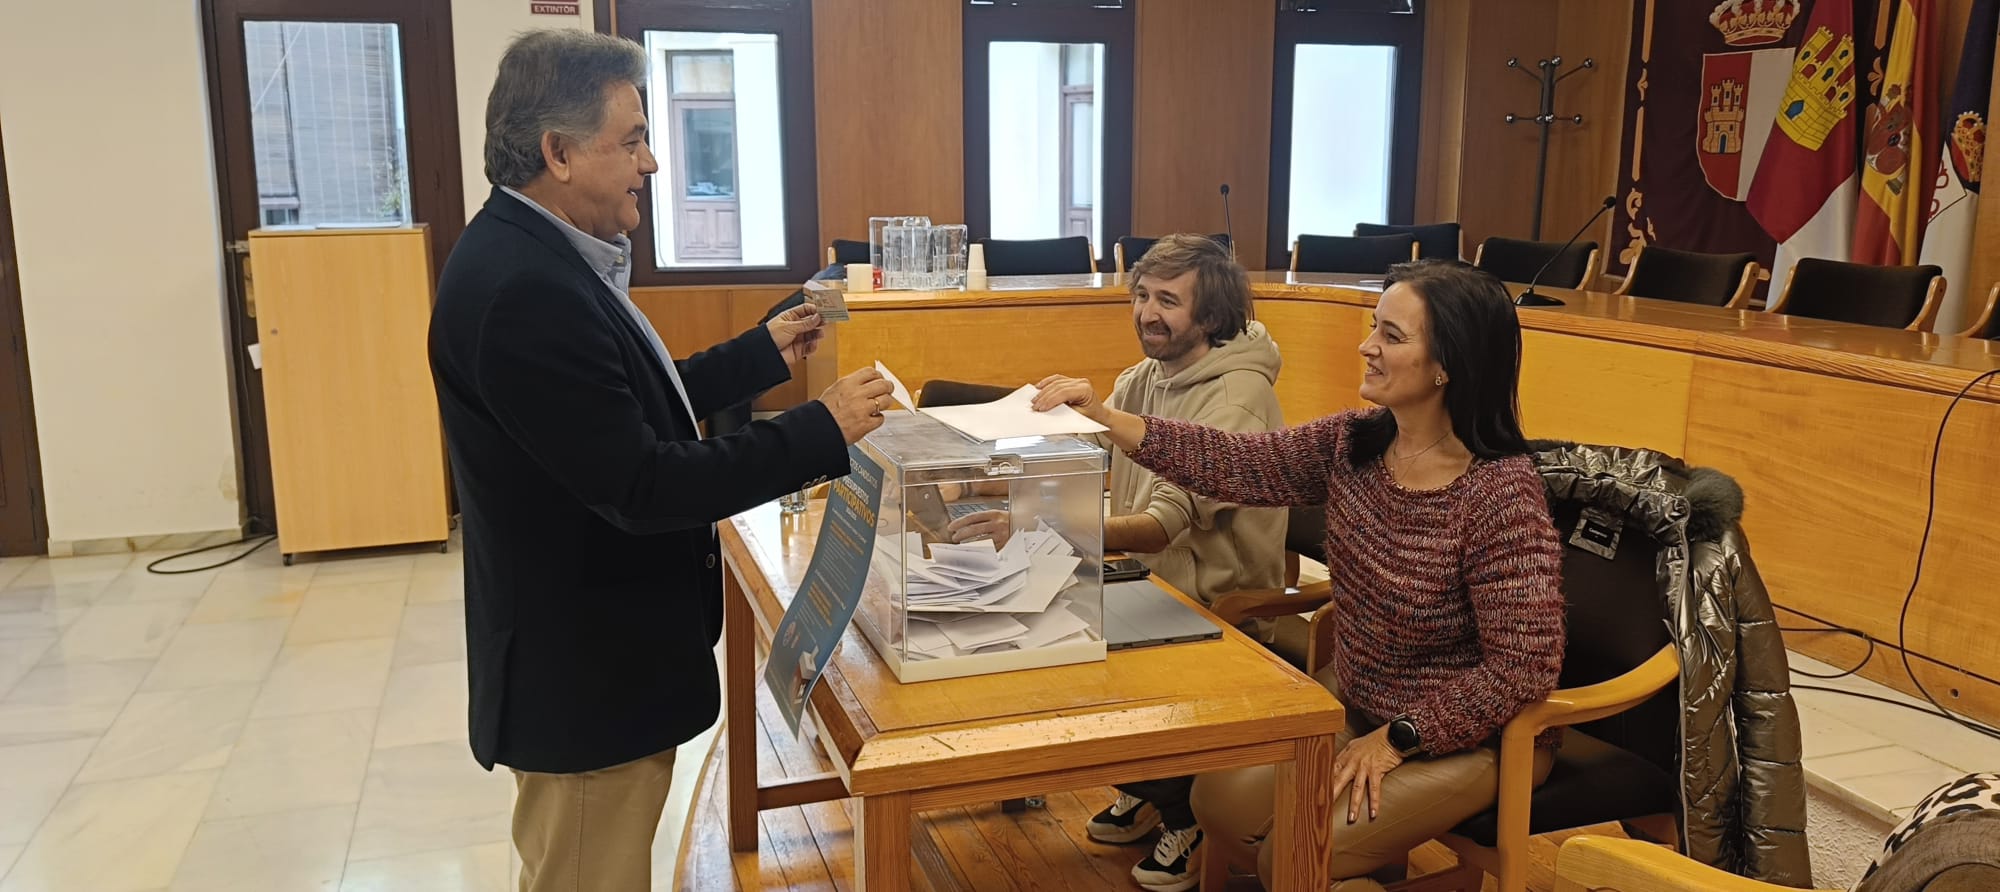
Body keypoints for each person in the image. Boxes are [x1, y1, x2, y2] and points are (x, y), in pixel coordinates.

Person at [427, 30, 894, 892]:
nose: (650, 162)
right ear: (558, 152)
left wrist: (760, 353)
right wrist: (820, 430)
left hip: (598, 663)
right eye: (632, 140)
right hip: (583, 684)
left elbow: (624, 407)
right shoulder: (525, 288)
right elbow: (640, 481)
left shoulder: (535, 256)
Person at [1033, 259, 1567, 891]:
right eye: (1375, 327)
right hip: (1362, 698)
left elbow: (1524, 668)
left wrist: (1402, 738)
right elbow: (1234, 461)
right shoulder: (1357, 443)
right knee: (1217, 805)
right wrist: (1109, 418)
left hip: (1478, 737)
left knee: (1290, 855)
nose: (1367, 346)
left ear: (1448, 363)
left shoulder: (1501, 493)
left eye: (1392, 337)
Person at [947, 233, 1289, 891]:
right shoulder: (1141, 377)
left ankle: (1184, 810)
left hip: (1216, 607)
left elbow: (1161, 527)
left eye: (1168, 300)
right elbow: (1086, 465)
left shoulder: (1234, 397)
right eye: (1141, 294)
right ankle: (1152, 786)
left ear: (1211, 317)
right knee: (1013, 622)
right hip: (1144, 582)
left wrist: (1029, 523)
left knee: (1050, 637)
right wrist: (978, 481)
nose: (1145, 312)